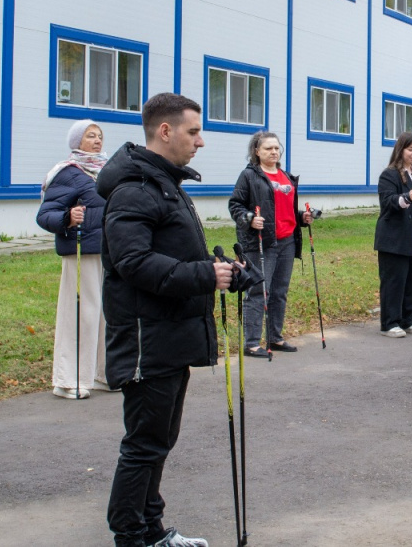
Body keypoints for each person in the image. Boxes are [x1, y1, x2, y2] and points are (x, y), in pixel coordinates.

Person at [98, 93, 233, 547]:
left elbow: (173, 254)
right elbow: (133, 262)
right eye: (193, 132)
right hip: (147, 339)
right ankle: (130, 536)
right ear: (165, 131)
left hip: (170, 334)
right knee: (144, 445)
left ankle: (152, 530)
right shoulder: (135, 189)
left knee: (159, 441)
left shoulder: (163, 184)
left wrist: (220, 271)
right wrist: (204, 275)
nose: (200, 141)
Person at [36, 120, 109, 399]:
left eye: (99, 136)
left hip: (107, 252)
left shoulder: (105, 172)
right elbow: (45, 215)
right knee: (81, 315)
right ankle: (68, 380)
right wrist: (68, 217)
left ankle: (103, 374)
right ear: (77, 141)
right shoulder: (68, 173)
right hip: (80, 251)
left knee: (106, 314)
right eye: (90, 136)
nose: (97, 140)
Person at [228, 131, 314, 357]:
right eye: (268, 148)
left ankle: (274, 337)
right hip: (261, 242)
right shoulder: (249, 175)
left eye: (276, 148)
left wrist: (301, 218)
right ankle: (251, 343)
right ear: (257, 151)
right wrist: (249, 219)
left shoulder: (285, 176)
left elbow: (284, 210)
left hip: (287, 240)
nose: (274, 152)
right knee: (258, 291)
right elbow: (235, 205)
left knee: (279, 292)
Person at [374, 132, 412, 338]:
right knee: (394, 281)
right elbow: (387, 202)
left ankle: (408, 319)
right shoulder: (390, 174)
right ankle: (390, 322)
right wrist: (406, 197)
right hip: (394, 239)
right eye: (410, 149)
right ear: (400, 150)